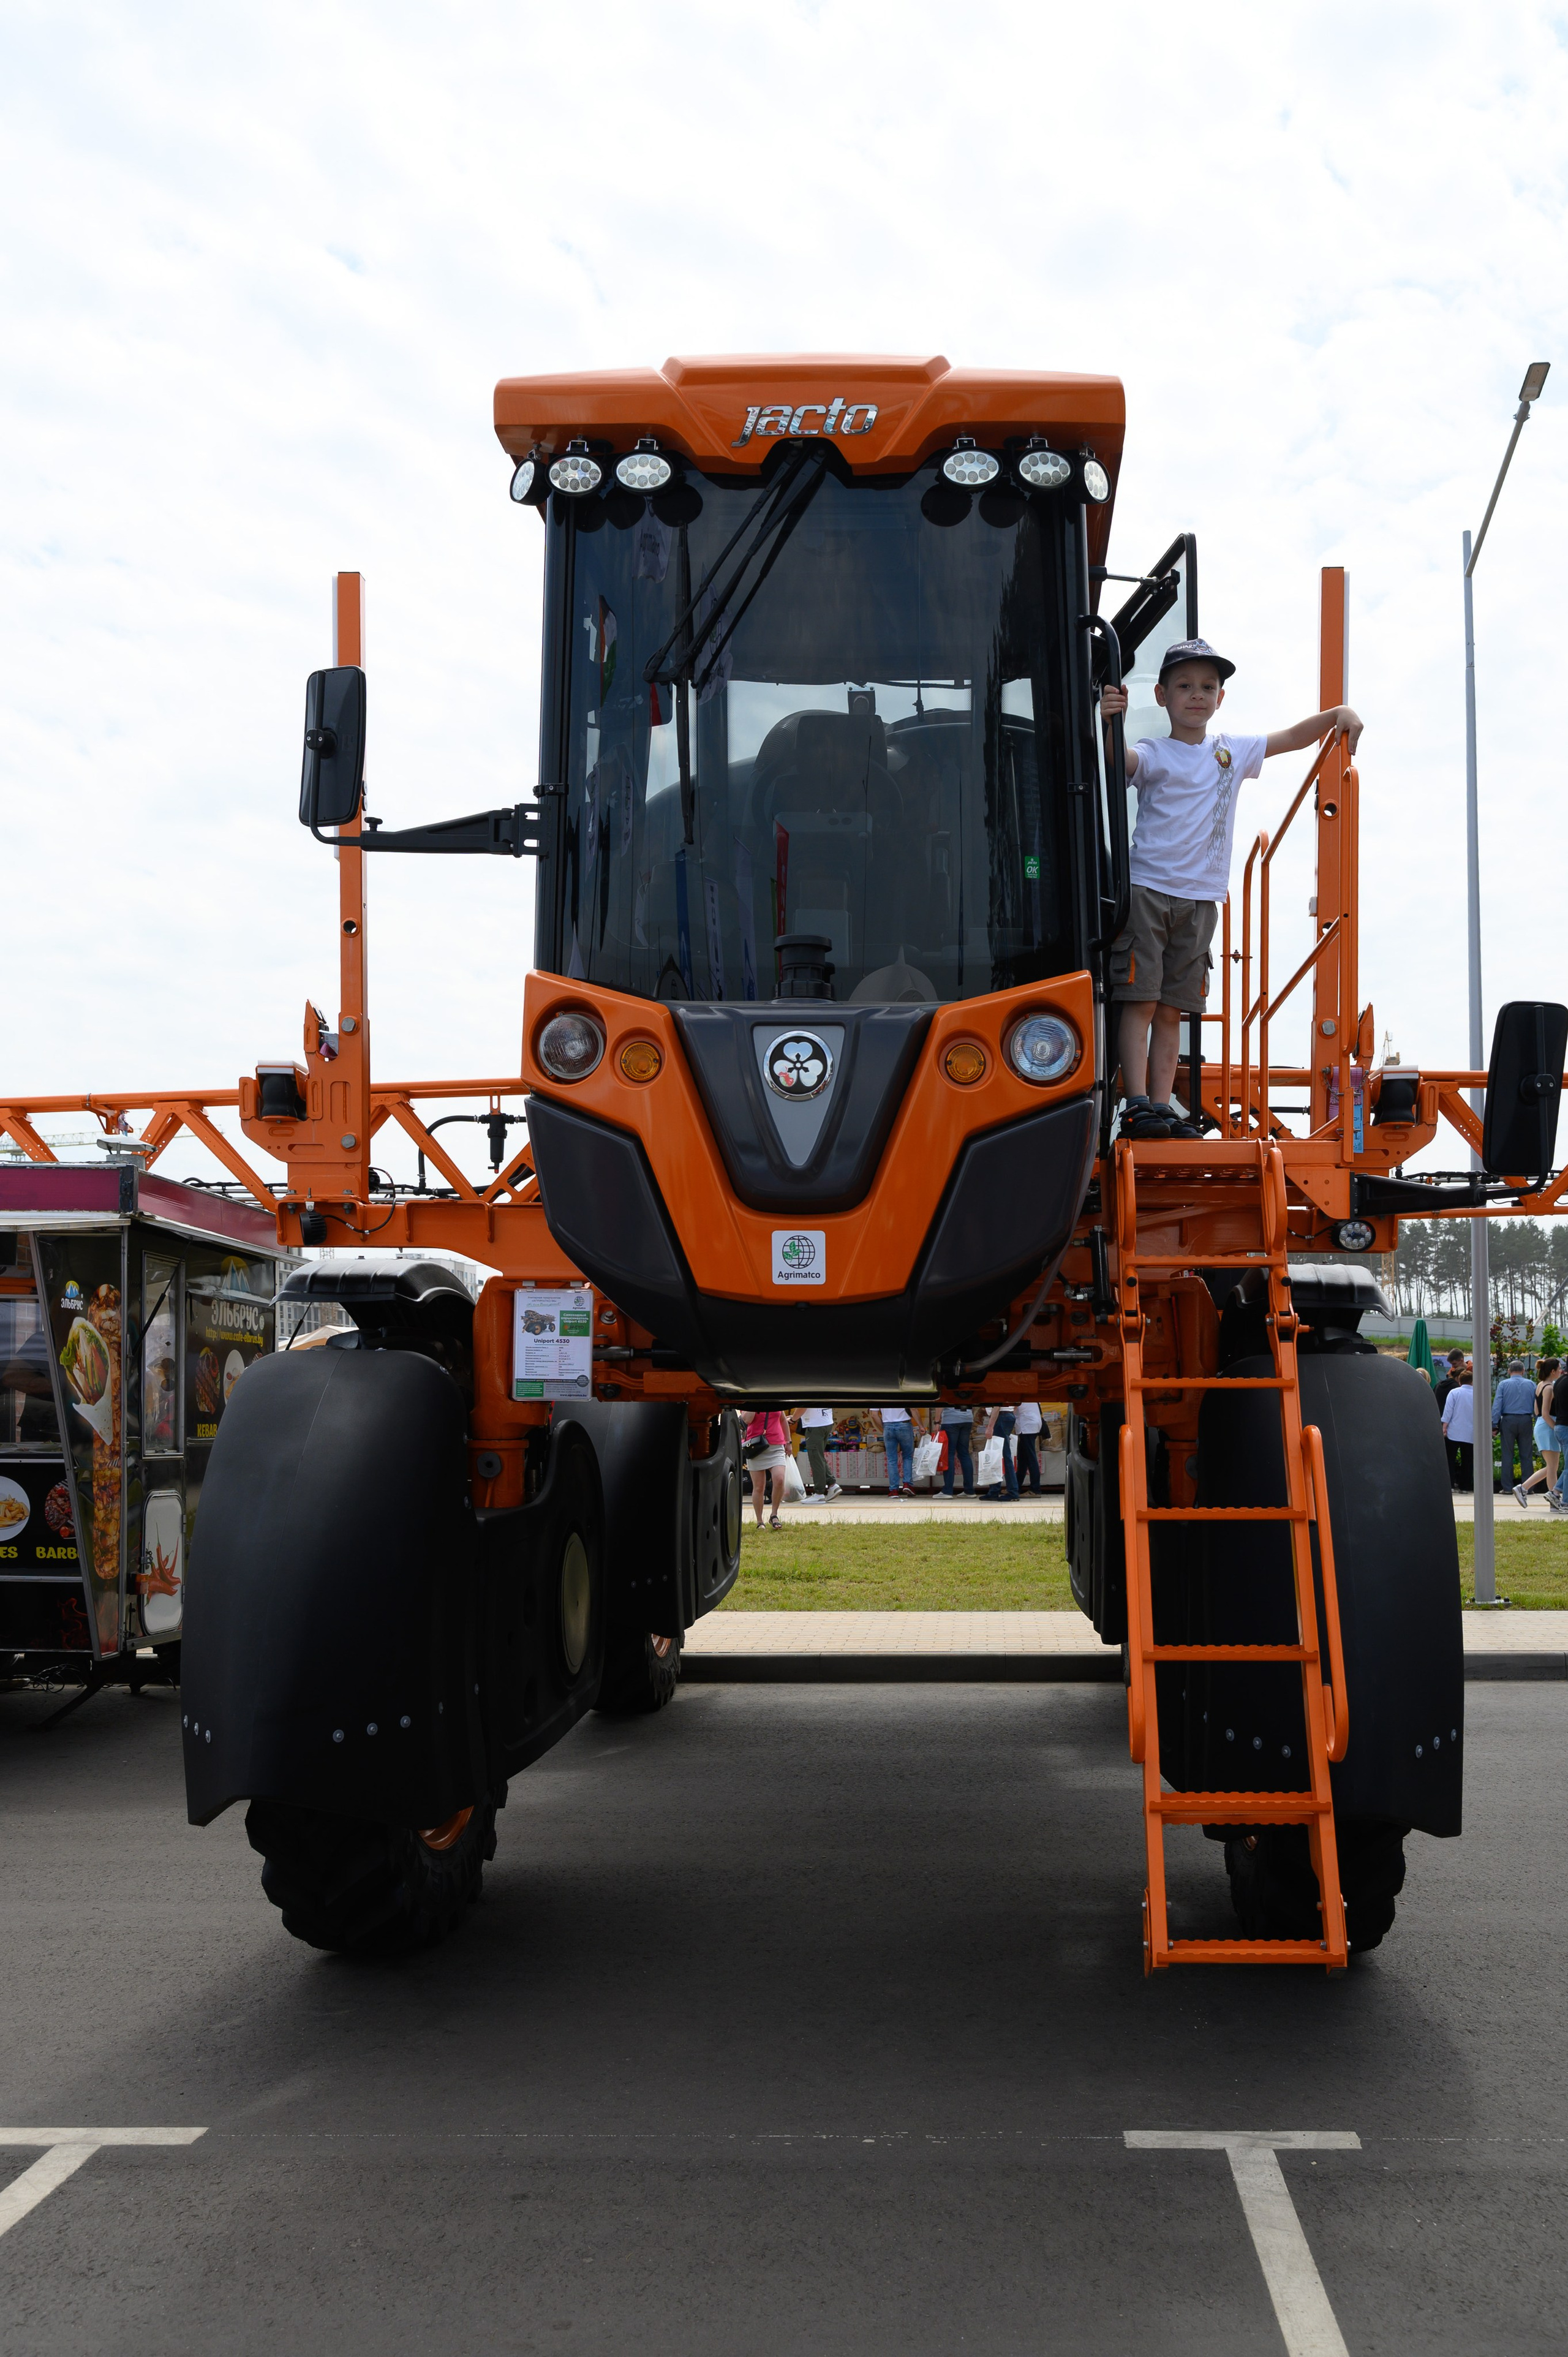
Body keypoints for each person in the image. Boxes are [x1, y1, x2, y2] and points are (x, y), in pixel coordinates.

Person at [1101, 642, 1363, 1139]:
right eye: (1184, 687)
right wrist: (1110, 723)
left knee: (1172, 1007)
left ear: (1221, 698)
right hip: (1149, 890)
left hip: (1201, 899)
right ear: (1161, 696)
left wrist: (1335, 715)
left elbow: (1289, 737)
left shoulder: (1230, 751)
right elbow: (1121, 763)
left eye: (1207, 687)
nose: (1196, 695)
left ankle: (1159, 1107)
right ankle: (1135, 1103)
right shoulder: (1156, 753)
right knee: (1140, 999)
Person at [1518, 1357, 1561, 1507]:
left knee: (1551, 1466)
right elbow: (1545, 1413)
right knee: (1552, 1467)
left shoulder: (1540, 1385)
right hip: (1548, 1426)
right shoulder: (1549, 1387)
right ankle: (1553, 1499)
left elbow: (1537, 1411)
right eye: (1559, 1368)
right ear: (1553, 1371)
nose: (1561, 1371)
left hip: (1541, 1426)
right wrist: (1556, 1428)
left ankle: (1523, 1488)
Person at [1494, 1359, 1537, 1503]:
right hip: (1526, 1420)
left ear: (1509, 1371)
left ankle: (1507, 1487)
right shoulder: (1531, 1384)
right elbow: (1536, 1406)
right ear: (1523, 1371)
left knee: (1507, 1454)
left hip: (1508, 1420)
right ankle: (1528, 1487)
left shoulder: (1503, 1384)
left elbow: (1497, 1406)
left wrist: (1494, 1425)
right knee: (1527, 1455)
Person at [744, 1408, 792, 1531]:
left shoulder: (774, 1400)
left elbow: (782, 1420)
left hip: (776, 1445)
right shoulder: (747, 1402)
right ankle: (760, 1521)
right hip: (756, 1446)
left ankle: (774, 1515)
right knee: (759, 1487)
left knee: (779, 1479)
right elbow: (747, 1420)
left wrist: (788, 1441)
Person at [1441, 1362, 1475, 1492]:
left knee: (1450, 1458)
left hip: (1454, 1431)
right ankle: (1465, 1486)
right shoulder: (1478, 1394)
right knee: (1468, 1460)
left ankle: (1449, 1484)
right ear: (1472, 1382)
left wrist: (1445, 1426)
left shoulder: (1454, 1393)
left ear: (1460, 1381)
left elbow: (1448, 1411)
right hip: (1471, 1432)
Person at [797, 1404, 840, 1501]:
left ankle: (819, 1493)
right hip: (826, 1421)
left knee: (815, 1458)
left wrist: (793, 1419)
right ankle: (832, 1484)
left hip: (815, 1424)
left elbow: (802, 1406)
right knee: (819, 1456)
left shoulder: (806, 1388)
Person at [978, 1403, 1020, 1499]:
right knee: (999, 1456)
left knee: (1004, 1456)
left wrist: (990, 1427)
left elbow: (997, 1406)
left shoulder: (994, 1389)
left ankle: (1012, 1492)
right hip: (1007, 1415)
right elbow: (1017, 1403)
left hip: (1000, 1416)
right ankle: (995, 1490)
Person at [936, 1400, 976, 1498]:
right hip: (967, 1418)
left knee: (949, 1454)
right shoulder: (968, 1385)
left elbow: (940, 1404)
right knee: (964, 1454)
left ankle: (948, 1491)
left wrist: (937, 1421)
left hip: (951, 1420)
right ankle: (969, 1490)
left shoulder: (947, 1386)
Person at [879, 1404, 916, 1497]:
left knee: (892, 1460)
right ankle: (907, 1484)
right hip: (904, 1424)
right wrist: (921, 1426)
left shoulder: (878, 1392)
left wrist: (884, 1428)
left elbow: (873, 1414)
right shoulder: (905, 1391)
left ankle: (894, 1490)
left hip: (888, 1425)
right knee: (907, 1457)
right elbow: (913, 1408)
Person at [1012, 1398, 1044, 1494]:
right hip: (1030, 1424)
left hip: (1027, 1425)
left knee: (1031, 1457)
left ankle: (1035, 1489)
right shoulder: (1028, 1391)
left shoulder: (1018, 1392)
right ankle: (1016, 1487)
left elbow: (1013, 1408)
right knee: (1023, 1458)